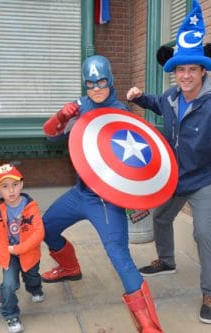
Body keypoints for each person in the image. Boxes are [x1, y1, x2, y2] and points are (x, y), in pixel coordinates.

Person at [126, 0, 211, 325]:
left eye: (191, 69)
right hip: (176, 177)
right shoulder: (171, 97)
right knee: (160, 219)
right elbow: (157, 104)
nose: (185, 75)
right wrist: (139, 97)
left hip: (204, 180)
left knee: (203, 234)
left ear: (202, 71)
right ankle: (167, 260)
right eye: (180, 69)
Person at [41, 55, 164, 333]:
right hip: (80, 193)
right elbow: (50, 136)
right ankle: (70, 268)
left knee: (119, 254)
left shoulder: (120, 113)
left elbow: (136, 162)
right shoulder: (80, 107)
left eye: (102, 82)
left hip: (107, 201)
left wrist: (135, 198)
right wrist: (61, 116)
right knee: (45, 227)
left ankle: (149, 325)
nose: (96, 88)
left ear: (111, 81)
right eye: (90, 83)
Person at [0, 163, 45, 333]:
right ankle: (11, 315)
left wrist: (19, 249)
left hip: (29, 252)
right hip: (8, 255)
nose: (11, 191)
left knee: (32, 276)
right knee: (9, 285)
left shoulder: (31, 207)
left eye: (15, 185)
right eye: (5, 186)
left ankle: (35, 288)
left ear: (22, 184)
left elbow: (39, 233)